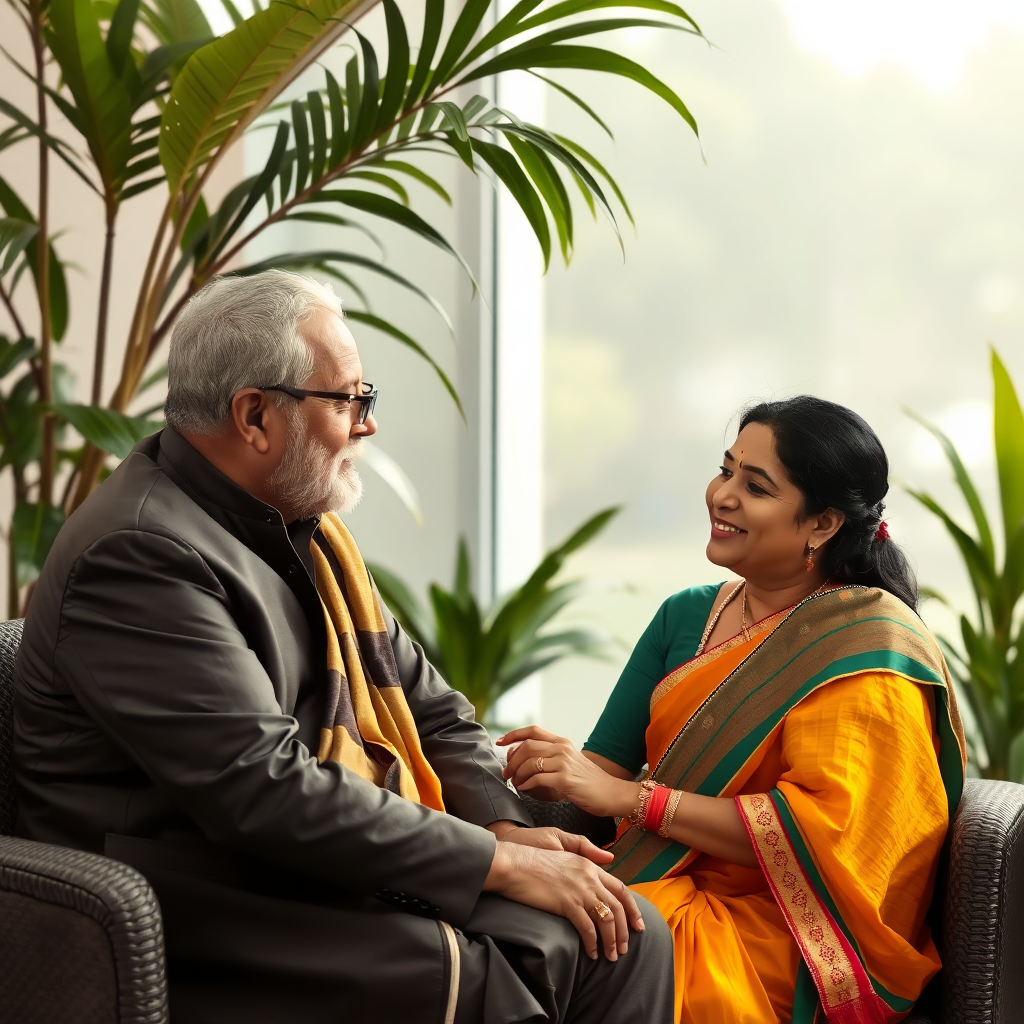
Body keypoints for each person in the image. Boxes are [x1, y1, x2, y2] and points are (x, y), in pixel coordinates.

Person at [12, 270, 674, 1024]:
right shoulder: (139, 551)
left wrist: (506, 829)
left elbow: (431, 707)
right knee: (529, 962)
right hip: (193, 901)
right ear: (255, 415)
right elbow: (260, 789)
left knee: (620, 931)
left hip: (302, 865)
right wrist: (496, 867)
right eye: (348, 399)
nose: (368, 424)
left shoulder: (303, 530)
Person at [500, 397, 966, 1024]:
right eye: (726, 470)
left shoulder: (868, 646)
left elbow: (820, 833)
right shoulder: (685, 615)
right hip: (657, 882)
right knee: (503, 921)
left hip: (789, 933)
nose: (722, 495)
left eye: (756, 486)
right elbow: (599, 771)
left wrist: (634, 800)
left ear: (822, 524)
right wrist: (532, 800)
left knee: (561, 945)